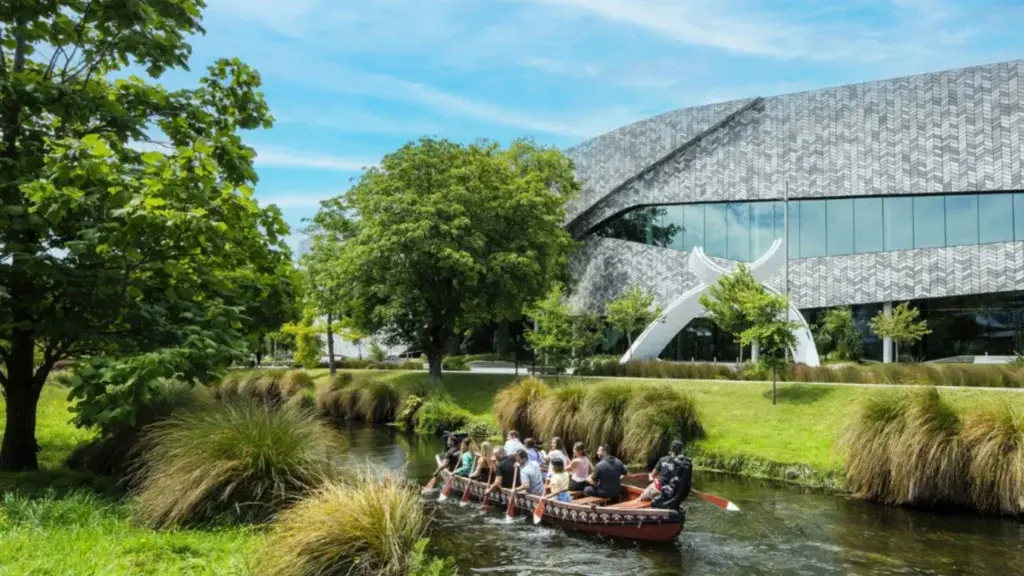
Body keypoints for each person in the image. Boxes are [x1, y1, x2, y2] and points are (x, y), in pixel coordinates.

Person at [644, 440, 693, 510]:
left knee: (641, 498)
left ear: (671, 449)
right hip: (670, 493)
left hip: (657, 489)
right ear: (681, 450)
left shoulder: (662, 459)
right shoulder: (683, 465)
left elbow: (652, 475)